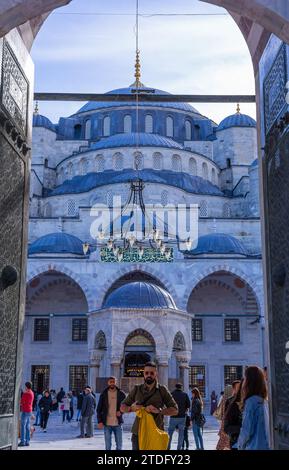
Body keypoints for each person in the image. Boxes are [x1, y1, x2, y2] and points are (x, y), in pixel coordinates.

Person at [120, 362, 178, 450]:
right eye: (146, 373)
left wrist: (159, 411)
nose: (149, 375)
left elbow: (175, 410)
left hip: (157, 430)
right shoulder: (137, 389)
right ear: (143, 374)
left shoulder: (162, 390)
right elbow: (122, 407)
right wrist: (131, 408)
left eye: (152, 373)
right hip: (138, 432)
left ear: (156, 374)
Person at [237, 366, 270, 450]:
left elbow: (247, 430)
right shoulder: (264, 401)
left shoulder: (251, 402)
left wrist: (240, 446)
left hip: (254, 446)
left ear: (249, 382)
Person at [97, 376, 126, 450]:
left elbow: (126, 405)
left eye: (113, 382)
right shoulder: (104, 394)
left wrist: (121, 412)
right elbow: (99, 409)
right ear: (108, 383)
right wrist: (99, 421)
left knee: (119, 446)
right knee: (107, 446)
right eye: (111, 382)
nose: (112, 383)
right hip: (107, 424)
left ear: (116, 382)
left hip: (118, 423)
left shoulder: (121, 394)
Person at [168, 383, 190, 450]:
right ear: (181, 387)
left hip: (173, 416)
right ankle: (179, 448)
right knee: (181, 434)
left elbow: (167, 404)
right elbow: (188, 405)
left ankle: (168, 447)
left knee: (170, 433)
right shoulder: (185, 395)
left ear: (175, 387)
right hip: (182, 417)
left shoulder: (171, 394)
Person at [224, 380, 243, 449]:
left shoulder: (245, 400)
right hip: (234, 433)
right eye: (237, 387)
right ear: (234, 389)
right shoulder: (229, 401)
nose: (239, 389)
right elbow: (226, 416)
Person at [216, 385, 232, 450]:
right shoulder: (231, 399)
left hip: (224, 421)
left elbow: (220, 410)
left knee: (223, 438)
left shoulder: (223, 399)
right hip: (229, 421)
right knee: (227, 439)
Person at [19, 381, 34, 447]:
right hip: (29, 410)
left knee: (23, 426)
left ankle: (22, 441)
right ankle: (27, 441)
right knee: (27, 426)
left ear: (26, 386)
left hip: (25, 410)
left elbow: (21, 402)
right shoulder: (32, 393)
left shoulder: (26, 393)